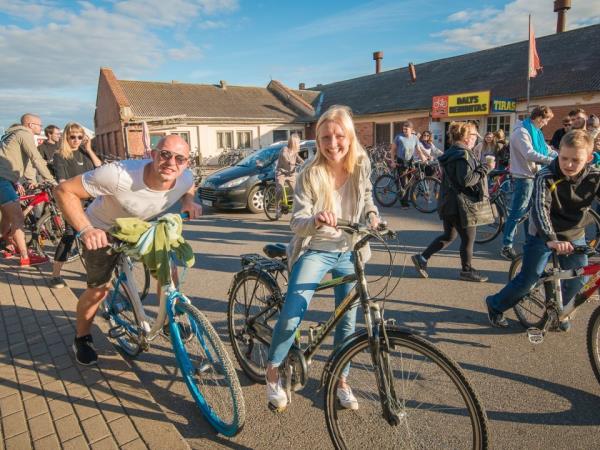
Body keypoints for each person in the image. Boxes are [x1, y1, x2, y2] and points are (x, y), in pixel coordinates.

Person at [264, 105, 380, 411]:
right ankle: (273, 371)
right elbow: (296, 223)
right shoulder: (309, 172)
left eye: (339, 136)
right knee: (292, 313)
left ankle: (341, 380)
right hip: (315, 249)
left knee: (348, 323)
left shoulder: (362, 164)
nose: (332, 144)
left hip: (350, 250)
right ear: (318, 139)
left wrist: (372, 214)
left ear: (350, 136)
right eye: (325, 137)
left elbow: (367, 196)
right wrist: (316, 219)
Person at [55, 135, 202, 365]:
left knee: (168, 272)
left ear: (186, 163)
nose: (171, 162)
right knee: (98, 291)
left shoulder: (184, 177)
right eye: (165, 154)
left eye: (179, 159)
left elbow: (189, 185)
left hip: (139, 226)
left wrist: (188, 202)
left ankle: (166, 323)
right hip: (103, 230)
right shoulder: (118, 175)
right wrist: (86, 230)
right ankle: (82, 338)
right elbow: (64, 190)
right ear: (152, 155)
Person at [485, 130, 599, 330]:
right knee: (528, 280)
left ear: (589, 158)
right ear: (557, 152)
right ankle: (495, 305)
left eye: (576, 160)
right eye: (564, 158)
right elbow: (540, 209)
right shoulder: (545, 175)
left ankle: (558, 310)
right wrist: (551, 239)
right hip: (542, 233)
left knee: (579, 279)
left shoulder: (595, 177)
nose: (569, 164)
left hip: (574, 233)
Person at [411, 121, 491, 283]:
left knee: (449, 235)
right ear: (466, 137)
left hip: (449, 202)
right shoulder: (463, 154)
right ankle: (466, 271)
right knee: (468, 238)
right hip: (459, 205)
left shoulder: (453, 152)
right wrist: (486, 168)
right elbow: (466, 180)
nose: (477, 138)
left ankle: (422, 258)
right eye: (475, 135)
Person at [49, 123, 102, 289]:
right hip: (73, 200)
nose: (76, 140)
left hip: (91, 198)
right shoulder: (60, 156)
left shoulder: (84, 153)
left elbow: (100, 169)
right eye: (73, 137)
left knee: (98, 230)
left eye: (80, 137)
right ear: (66, 137)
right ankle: (55, 275)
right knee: (70, 234)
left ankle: (94, 270)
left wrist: (90, 149)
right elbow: (63, 182)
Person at [500, 106, 557, 261]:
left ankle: (528, 241)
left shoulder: (536, 132)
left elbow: (547, 150)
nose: (546, 124)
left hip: (534, 176)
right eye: (546, 120)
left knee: (531, 212)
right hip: (524, 177)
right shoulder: (521, 132)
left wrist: (562, 155)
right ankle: (506, 245)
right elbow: (529, 154)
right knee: (518, 212)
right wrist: (553, 160)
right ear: (539, 118)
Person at [0, 114, 55, 266]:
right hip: (3, 180)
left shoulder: (11, 134)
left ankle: (9, 247)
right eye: (39, 125)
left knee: (6, 218)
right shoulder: (24, 133)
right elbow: (35, 158)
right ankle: (25, 257)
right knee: (18, 219)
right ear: (30, 125)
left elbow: (27, 161)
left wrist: (31, 180)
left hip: (7, 180)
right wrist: (51, 180)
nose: (41, 128)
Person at [389, 120, 429, 208]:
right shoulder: (398, 137)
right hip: (400, 161)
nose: (404, 131)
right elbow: (392, 151)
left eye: (406, 129)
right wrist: (392, 161)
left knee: (410, 182)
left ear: (411, 129)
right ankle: (404, 203)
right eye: (403, 129)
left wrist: (423, 158)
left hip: (410, 162)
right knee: (404, 183)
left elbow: (418, 150)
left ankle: (406, 198)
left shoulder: (415, 138)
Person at [274, 133, 303, 212]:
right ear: (293, 143)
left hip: (291, 174)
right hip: (281, 172)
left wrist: (305, 163)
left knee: (297, 191)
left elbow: (299, 160)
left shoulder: (295, 152)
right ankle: (277, 205)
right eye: (297, 143)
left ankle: (297, 208)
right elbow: (284, 156)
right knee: (279, 189)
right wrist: (289, 162)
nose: (298, 144)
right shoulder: (285, 149)